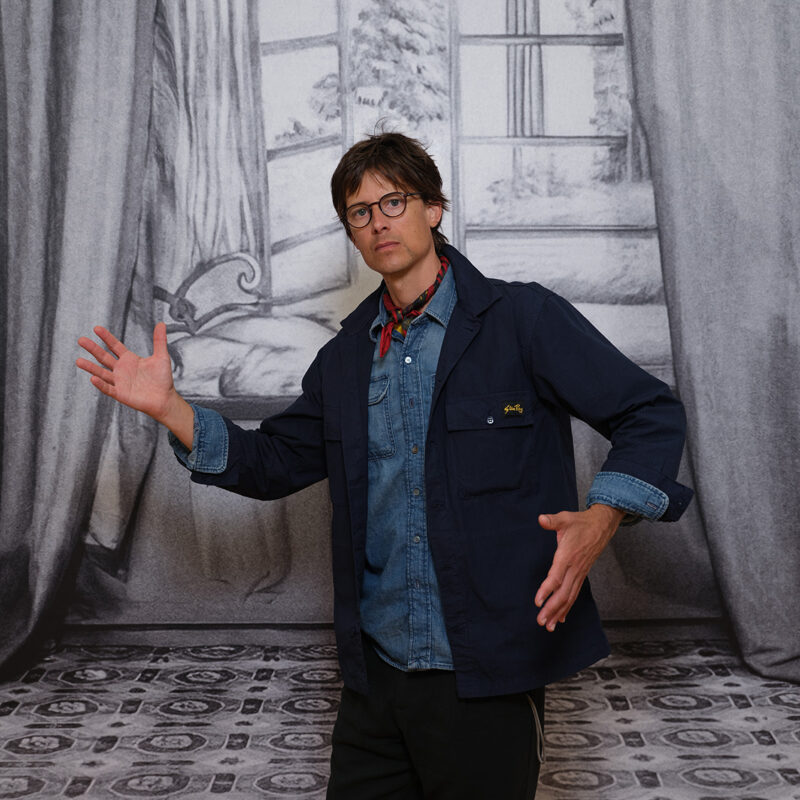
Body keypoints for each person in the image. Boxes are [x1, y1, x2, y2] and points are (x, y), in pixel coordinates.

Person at [77, 132, 693, 799]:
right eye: (360, 212)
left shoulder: (523, 319)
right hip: (376, 679)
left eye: (393, 201)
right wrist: (171, 408)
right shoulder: (345, 359)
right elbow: (271, 461)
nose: (378, 222)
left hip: (486, 667)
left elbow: (649, 412)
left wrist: (603, 517)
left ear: (433, 206)